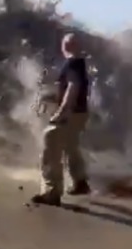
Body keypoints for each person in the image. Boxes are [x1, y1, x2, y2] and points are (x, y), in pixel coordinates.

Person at [32, 33, 91, 206]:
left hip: (71, 113)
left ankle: (51, 192)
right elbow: (71, 88)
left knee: (50, 139)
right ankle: (80, 182)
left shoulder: (73, 63)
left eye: (67, 43)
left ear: (67, 46)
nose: (65, 46)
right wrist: (50, 98)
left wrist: (62, 111)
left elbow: (73, 87)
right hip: (80, 112)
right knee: (71, 145)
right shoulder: (79, 63)